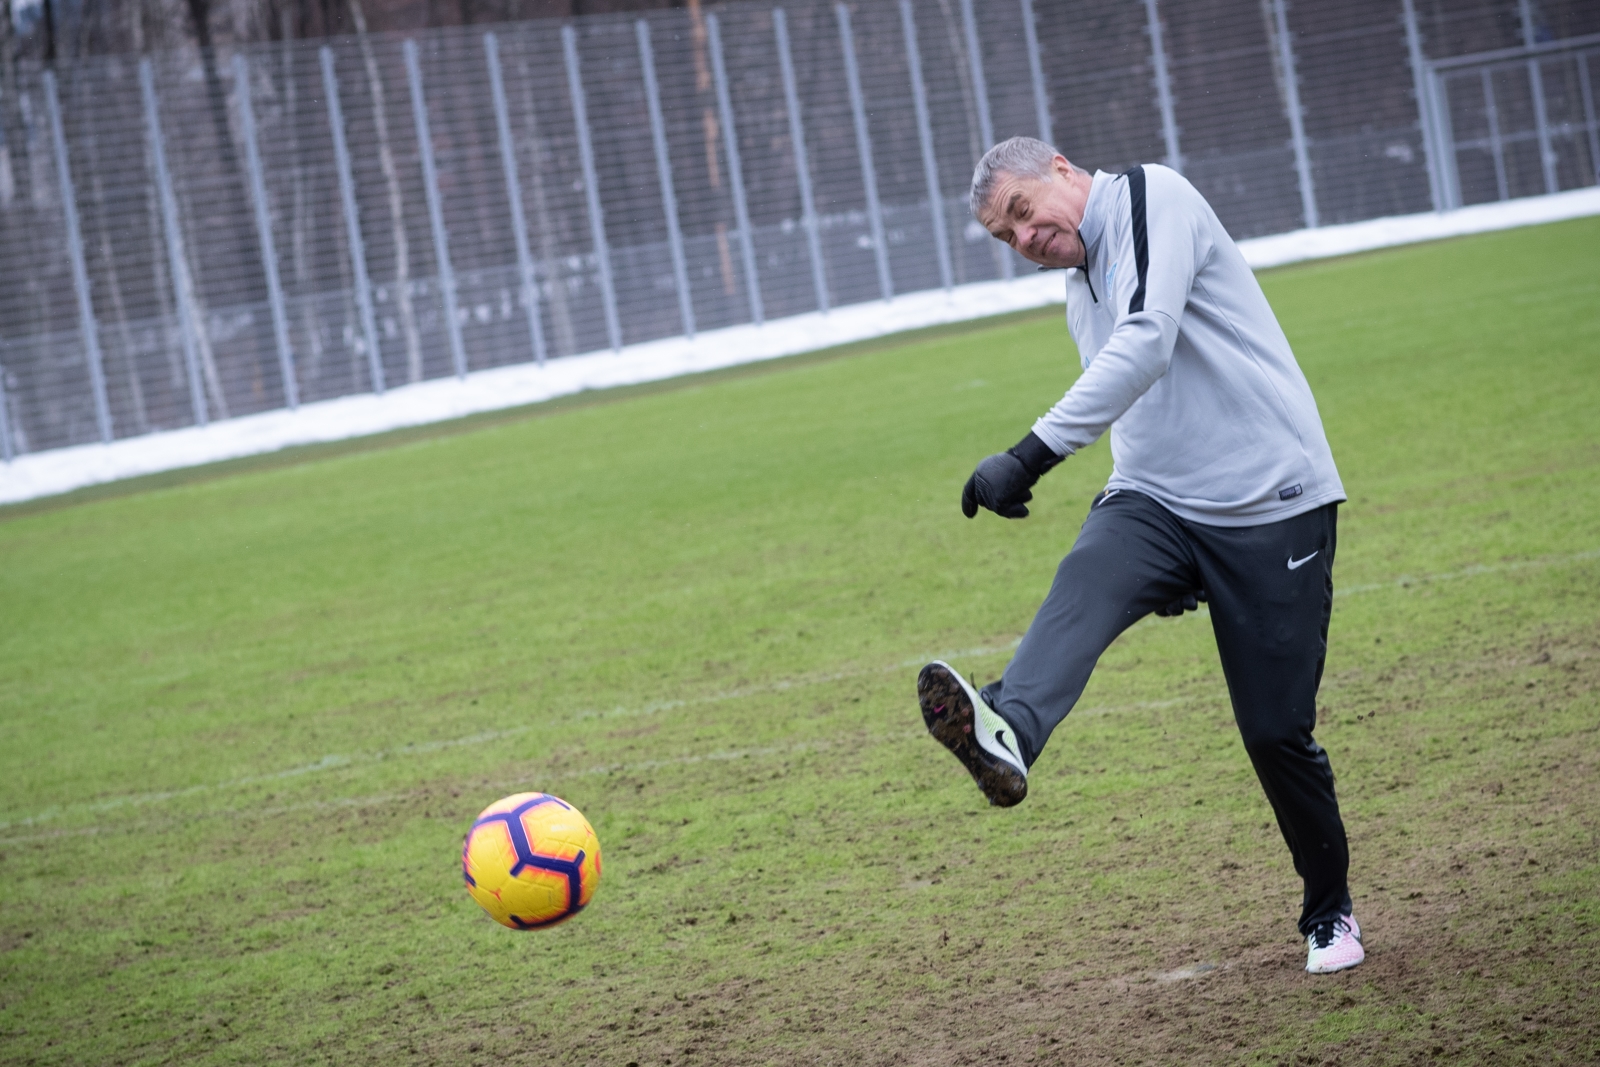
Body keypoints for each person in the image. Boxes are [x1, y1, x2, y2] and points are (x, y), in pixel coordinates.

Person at [917, 136, 1363, 975]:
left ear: (1059, 167)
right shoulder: (1077, 290)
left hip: (1273, 501)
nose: (1024, 239)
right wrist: (1138, 533)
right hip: (1160, 500)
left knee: (1276, 733)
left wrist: (1028, 454)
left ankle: (1330, 910)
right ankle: (1007, 728)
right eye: (1006, 239)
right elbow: (1139, 400)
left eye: (1021, 211)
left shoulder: (1153, 197)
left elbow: (1148, 342)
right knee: (1088, 570)